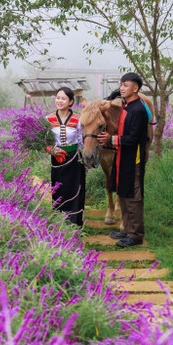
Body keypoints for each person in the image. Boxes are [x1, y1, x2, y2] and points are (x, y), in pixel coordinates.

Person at [97, 73, 150, 247]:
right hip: (123, 156)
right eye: (121, 85)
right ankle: (126, 229)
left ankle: (135, 235)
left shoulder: (139, 110)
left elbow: (133, 138)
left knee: (133, 196)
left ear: (135, 88)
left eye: (126, 85)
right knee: (123, 192)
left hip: (133, 158)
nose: (122, 88)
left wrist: (110, 140)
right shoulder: (127, 107)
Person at [44, 87, 86, 227]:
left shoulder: (77, 119)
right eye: (58, 98)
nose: (59, 101)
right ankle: (59, 219)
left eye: (63, 98)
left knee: (74, 188)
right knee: (58, 188)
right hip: (56, 159)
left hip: (74, 158)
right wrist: (51, 150)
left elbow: (81, 139)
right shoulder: (48, 119)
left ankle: (74, 221)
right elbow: (44, 141)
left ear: (71, 101)